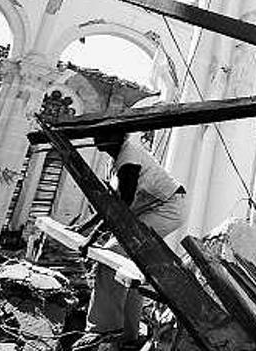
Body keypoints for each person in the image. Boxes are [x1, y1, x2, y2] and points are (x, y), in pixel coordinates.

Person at [72, 132, 186, 351]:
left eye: (103, 136)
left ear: (116, 138)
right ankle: (128, 334)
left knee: (111, 256)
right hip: (152, 208)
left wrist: (91, 238)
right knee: (128, 266)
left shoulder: (129, 159)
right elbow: (112, 203)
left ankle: (103, 327)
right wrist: (82, 228)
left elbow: (122, 205)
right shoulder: (117, 162)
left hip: (166, 209)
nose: (98, 142)